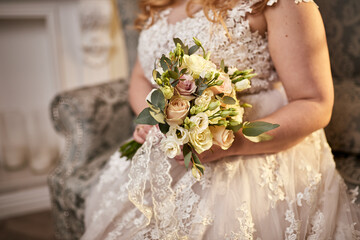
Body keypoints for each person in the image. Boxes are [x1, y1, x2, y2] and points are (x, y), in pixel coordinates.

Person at [81, 0, 360, 239]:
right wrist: (154, 116)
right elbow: (141, 77)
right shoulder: (162, 3)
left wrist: (230, 142)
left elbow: (315, 103)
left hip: (252, 156)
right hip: (165, 155)